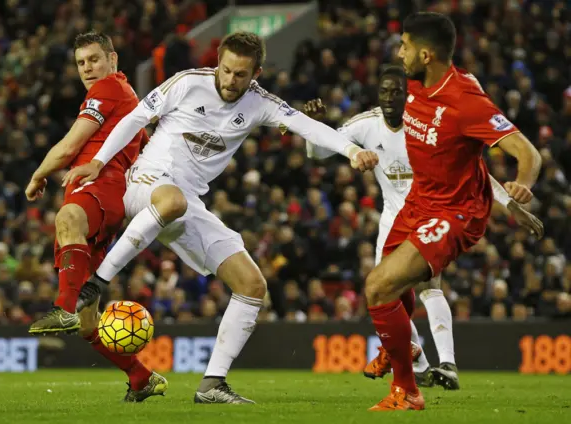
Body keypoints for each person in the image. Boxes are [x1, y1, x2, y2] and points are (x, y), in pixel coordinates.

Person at [62, 31, 378, 404]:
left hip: (187, 202)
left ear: (255, 72)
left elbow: (304, 126)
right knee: (172, 200)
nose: (229, 81)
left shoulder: (260, 103)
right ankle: (96, 283)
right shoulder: (186, 84)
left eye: (240, 75)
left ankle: (212, 384)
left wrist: (350, 150)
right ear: (218, 63)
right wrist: (99, 161)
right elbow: (134, 119)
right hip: (146, 183)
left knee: (252, 285)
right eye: (225, 71)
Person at [304, 65, 543, 390]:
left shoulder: (430, 126)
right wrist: (314, 126)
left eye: (398, 92)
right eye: (385, 92)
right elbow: (319, 151)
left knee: (430, 284)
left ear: (410, 94)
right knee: (382, 295)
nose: (391, 99)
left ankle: (447, 363)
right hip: (393, 221)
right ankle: (418, 361)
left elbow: (474, 172)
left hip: (432, 214)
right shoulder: (366, 124)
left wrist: (510, 203)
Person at [359, 12, 542, 410]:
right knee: (386, 289)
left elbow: (527, 152)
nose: (399, 52)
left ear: (426, 54)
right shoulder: (411, 83)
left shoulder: (466, 100)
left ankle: (406, 391)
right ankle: (401, 347)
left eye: (405, 46)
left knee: (378, 287)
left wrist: (520, 187)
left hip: (454, 213)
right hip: (418, 202)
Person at [24, 31, 168, 402]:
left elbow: (71, 144)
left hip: (100, 186)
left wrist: (38, 174)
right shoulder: (126, 97)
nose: (88, 68)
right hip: (104, 190)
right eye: (81, 62)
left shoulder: (109, 88)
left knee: (67, 219)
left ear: (113, 60)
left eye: (94, 59)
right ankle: (140, 376)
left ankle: (61, 308)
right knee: (91, 324)